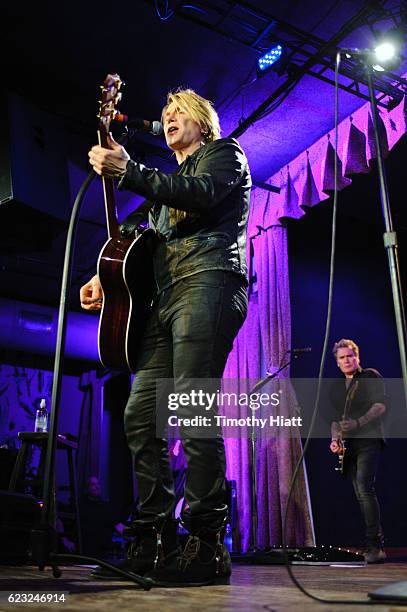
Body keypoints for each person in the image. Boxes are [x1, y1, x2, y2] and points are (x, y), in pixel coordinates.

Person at [81, 88, 251, 586]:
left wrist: (129, 171)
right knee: (139, 413)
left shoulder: (224, 155)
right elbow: (145, 246)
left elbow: (197, 196)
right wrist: (104, 278)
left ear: (203, 122)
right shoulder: (166, 187)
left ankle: (206, 543)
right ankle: (152, 534)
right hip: (164, 302)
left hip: (209, 280)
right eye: (165, 113)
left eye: (179, 112)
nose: (170, 117)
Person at [329, 339, 386, 563]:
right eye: (342, 358)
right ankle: (371, 545)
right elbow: (335, 420)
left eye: (350, 356)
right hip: (349, 445)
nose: (347, 360)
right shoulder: (337, 387)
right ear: (337, 362)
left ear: (357, 357)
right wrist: (335, 439)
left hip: (368, 439)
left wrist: (358, 423)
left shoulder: (370, 376)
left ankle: (376, 546)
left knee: (365, 488)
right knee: (360, 494)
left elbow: (380, 405)